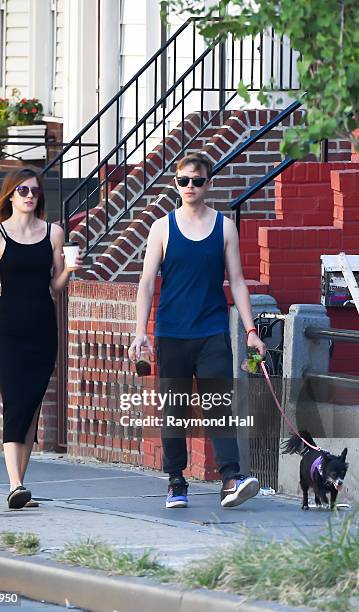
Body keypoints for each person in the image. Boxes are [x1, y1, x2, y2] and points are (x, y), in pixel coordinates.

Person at [128, 152, 266, 509]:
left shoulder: (224, 227)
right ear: (176, 182)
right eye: (183, 180)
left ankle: (231, 478)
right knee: (173, 409)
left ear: (209, 183)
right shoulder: (161, 227)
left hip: (212, 330)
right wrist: (140, 331)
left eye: (197, 180)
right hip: (171, 332)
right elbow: (145, 283)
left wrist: (251, 330)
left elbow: (237, 281)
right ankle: (176, 481)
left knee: (218, 405)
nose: (190, 186)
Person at [0, 167, 83, 509]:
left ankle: (20, 487)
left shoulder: (53, 233)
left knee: (33, 405)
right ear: (10, 194)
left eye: (34, 191)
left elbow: (54, 286)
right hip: (8, 331)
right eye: (22, 190)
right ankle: (15, 483)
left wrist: (68, 268)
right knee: (14, 402)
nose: (29, 196)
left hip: (41, 328)